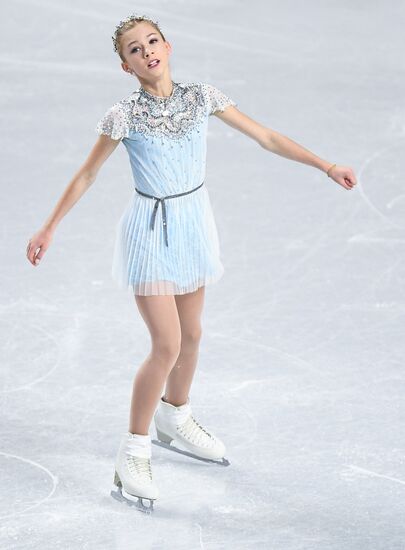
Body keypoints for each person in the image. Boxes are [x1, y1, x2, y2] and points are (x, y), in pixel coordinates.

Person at [25, 14, 357, 513]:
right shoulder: (124, 115)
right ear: (125, 65)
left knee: (193, 335)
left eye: (152, 41)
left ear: (168, 45)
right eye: (135, 49)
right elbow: (86, 174)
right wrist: (50, 225)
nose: (147, 52)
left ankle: (174, 417)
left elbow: (264, 136)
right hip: (150, 231)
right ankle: (132, 450)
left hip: (192, 225)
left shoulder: (201, 97)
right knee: (167, 343)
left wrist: (326, 165)